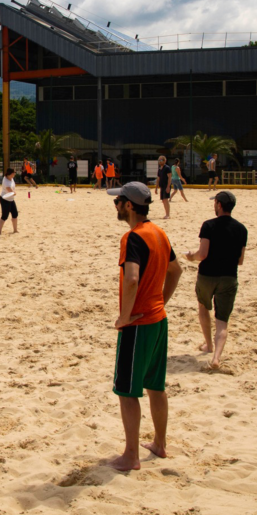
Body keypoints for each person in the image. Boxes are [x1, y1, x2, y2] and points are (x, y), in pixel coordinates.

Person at [105, 181, 182, 472]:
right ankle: (160, 444)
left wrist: (125, 317)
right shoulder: (159, 233)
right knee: (155, 385)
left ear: (130, 205)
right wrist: (161, 300)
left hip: (139, 324)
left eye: (118, 201)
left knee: (127, 391)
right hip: (158, 319)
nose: (116, 206)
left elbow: (132, 278)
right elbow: (176, 270)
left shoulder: (133, 237)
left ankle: (131, 455)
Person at [184, 191, 247, 370]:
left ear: (218, 204)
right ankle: (216, 357)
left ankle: (208, 345)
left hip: (207, 276)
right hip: (229, 277)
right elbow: (240, 261)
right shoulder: (241, 229)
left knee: (204, 307)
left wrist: (191, 257)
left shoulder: (209, 225)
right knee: (222, 321)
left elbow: (202, 254)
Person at [0, 167, 18, 234]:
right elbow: (10, 191)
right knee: (4, 216)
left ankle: (15, 230)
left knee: (15, 214)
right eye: (14, 172)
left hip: (11, 199)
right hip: (5, 199)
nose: (15, 174)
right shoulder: (6, 181)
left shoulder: (11, 178)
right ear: (12, 173)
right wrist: (14, 193)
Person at [155, 155, 172, 219]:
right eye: (159, 160)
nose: (160, 161)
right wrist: (156, 188)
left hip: (166, 186)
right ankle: (166, 214)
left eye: (161, 160)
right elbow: (158, 179)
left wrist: (168, 186)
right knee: (163, 200)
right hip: (161, 186)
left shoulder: (167, 168)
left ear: (165, 161)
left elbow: (170, 177)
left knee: (166, 199)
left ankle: (168, 214)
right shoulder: (159, 169)